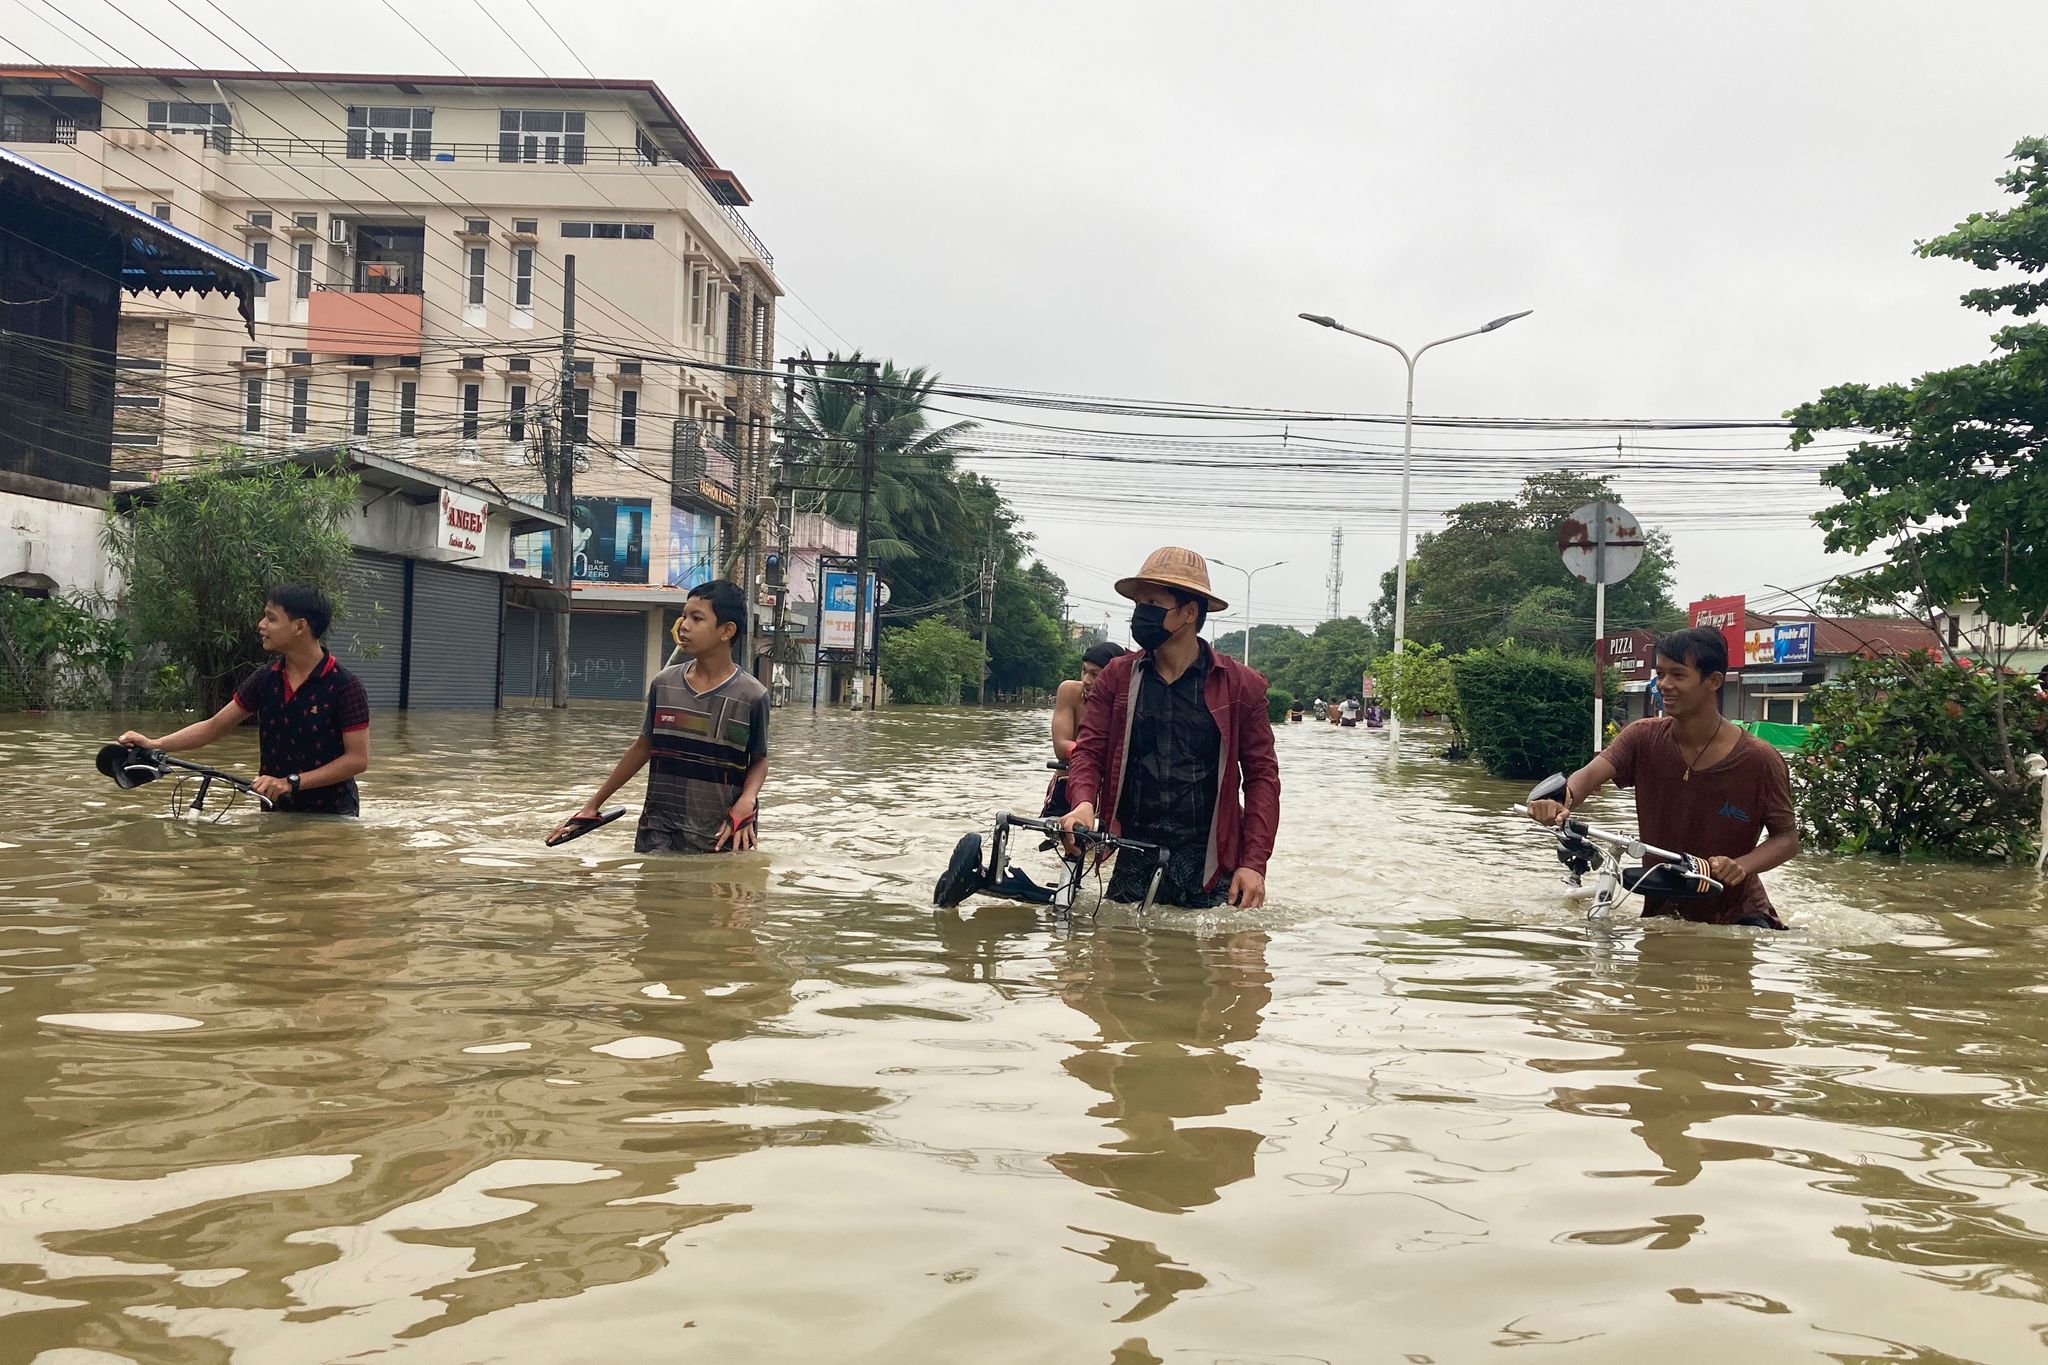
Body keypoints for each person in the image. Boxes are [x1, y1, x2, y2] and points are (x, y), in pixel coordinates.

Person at [1527, 625, 1799, 928]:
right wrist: (1563, 800)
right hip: (1661, 911)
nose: (1664, 685)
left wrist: (1741, 865)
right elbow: (1590, 775)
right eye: (1660, 674)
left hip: (1737, 917)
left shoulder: (1759, 759)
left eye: (1678, 675)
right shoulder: (1642, 737)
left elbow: (1786, 839)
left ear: (1714, 681)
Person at [1060, 547, 1280, 909]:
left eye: (1152, 603)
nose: (1140, 614)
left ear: (1190, 612)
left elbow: (1261, 778)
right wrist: (1083, 803)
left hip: (1210, 861)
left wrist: (1253, 864)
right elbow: (1090, 749)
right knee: (1116, 951)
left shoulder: (1241, 686)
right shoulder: (1118, 677)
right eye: (1138, 604)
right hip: (1131, 850)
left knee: (1214, 958)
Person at [553, 579, 769, 854]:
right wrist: (592, 805)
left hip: (722, 834)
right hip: (657, 832)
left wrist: (747, 800)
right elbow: (644, 746)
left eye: (697, 618)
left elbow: (759, 761)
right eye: (684, 615)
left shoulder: (752, 695)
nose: (684, 625)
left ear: (727, 630)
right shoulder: (664, 683)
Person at [118, 584, 370, 815]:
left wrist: (290, 782)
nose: (261, 625)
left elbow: (357, 760)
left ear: (300, 627)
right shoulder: (265, 678)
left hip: (333, 817)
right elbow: (214, 727)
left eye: (271, 618)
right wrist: (154, 744)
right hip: (274, 810)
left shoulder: (345, 686)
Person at [1044, 641, 1127, 816]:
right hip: (1068, 781)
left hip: (1110, 790)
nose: (1086, 680)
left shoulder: (1127, 702)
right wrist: (1090, 756)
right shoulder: (1070, 691)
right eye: (1084, 671)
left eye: (1095, 674)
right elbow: (1060, 746)